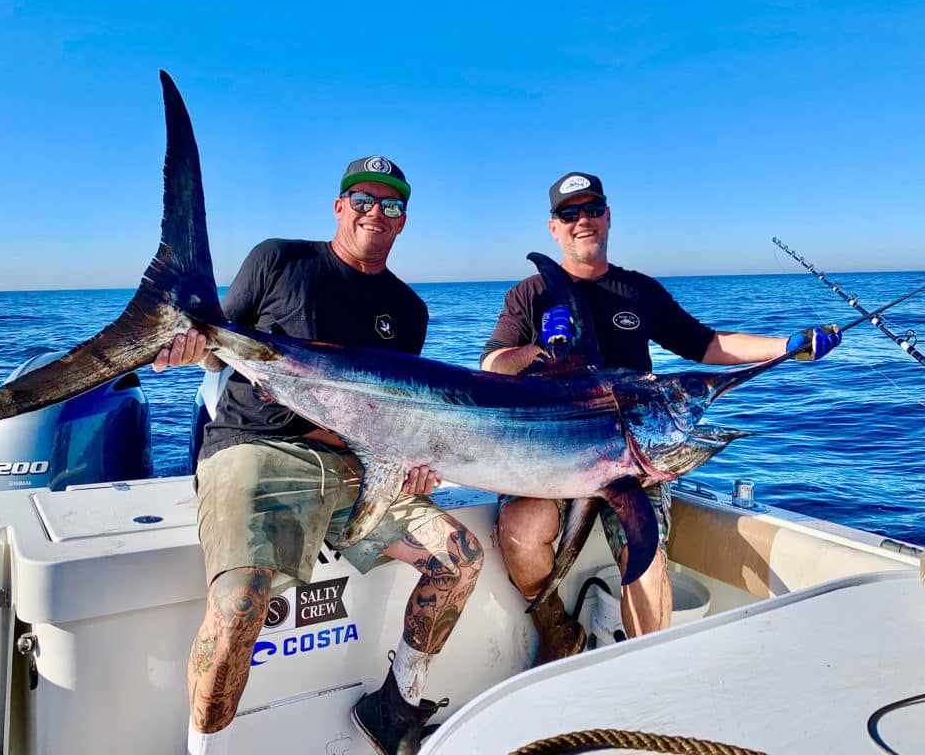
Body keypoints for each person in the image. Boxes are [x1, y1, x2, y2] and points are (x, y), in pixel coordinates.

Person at [153, 156, 484, 755]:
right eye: (362, 200)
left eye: (392, 205)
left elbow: (391, 413)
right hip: (259, 451)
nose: (375, 214)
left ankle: (396, 704)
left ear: (404, 221)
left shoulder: (409, 310)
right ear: (339, 206)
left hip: (358, 472)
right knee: (240, 603)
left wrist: (413, 458)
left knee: (459, 559)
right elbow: (220, 347)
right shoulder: (280, 260)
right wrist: (186, 345)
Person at [481, 171, 840, 665]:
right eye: (569, 213)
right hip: (553, 453)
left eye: (591, 209)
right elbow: (491, 366)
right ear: (554, 227)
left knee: (645, 558)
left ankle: (648, 674)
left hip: (635, 457)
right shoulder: (529, 295)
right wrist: (537, 347)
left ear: (608, 216)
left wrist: (786, 347)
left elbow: (707, 344)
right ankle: (558, 629)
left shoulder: (639, 292)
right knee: (520, 532)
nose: (582, 220)